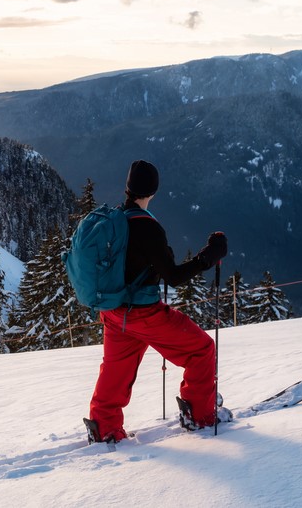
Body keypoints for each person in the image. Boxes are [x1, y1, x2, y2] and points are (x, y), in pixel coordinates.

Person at [87, 159, 229, 443]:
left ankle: (103, 428)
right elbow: (174, 277)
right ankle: (199, 414)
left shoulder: (114, 221)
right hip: (144, 315)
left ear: (128, 188)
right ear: (152, 190)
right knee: (201, 349)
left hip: (114, 313)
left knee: (115, 372)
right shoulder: (148, 228)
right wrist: (208, 257)